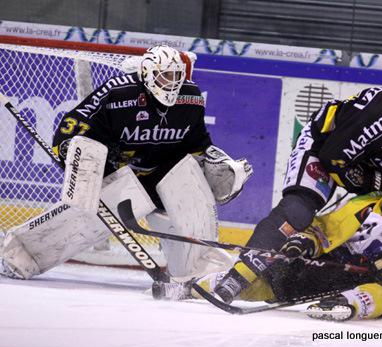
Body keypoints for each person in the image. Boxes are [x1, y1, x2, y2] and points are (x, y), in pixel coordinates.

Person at [0, 45, 251, 280]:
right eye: (165, 76)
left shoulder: (191, 97)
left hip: (163, 174)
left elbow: (198, 143)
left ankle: (197, 270)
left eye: (176, 75)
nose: (172, 83)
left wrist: (215, 164)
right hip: (119, 172)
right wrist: (71, 150)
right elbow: (73, 124)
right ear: (147, 74)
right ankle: (18, 255)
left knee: (191, 188)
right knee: (91, 213)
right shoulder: (119, 93)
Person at [212, 73, 382, 306]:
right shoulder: (381, 115)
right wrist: (372, 182)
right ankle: (239, 275)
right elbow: (334, 158)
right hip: (324, 147)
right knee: (299, 210)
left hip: (366, 169)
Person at [157, 166, 382, 321]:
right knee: (265, 283)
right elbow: (325, 230)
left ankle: (342, 307)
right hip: (323, 267)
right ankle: (192, 287)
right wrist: (303, 243)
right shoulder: (363, 208)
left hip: (354, 285)